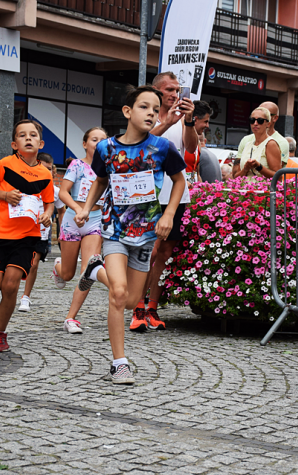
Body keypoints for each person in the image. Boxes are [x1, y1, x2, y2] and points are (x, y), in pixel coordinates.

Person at [74, 85, 186, 384]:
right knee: (118, 293)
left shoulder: (162, 148)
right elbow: (100, 180)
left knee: (131, 299)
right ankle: (119, 363)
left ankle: (95, 270)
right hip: (114, 230)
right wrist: (86, 208)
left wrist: (169, 214)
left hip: (147, 233)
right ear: (127, 111)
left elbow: (179, 181)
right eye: (144, 107)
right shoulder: (105, 148)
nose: (151, 113)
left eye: (155, 109)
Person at [128, 71, 196, 333]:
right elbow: (141, 144)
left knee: (165, 253)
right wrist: (167, 122)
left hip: (176, 193)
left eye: (177, 89)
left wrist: (188, 122)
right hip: (147, 195)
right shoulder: (146, 115)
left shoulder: (182, 117)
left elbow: (190, 149)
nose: (175, 94)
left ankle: (152, 307)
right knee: (149, 252)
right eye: (169, 89)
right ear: (156, 91)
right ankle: (137, 306)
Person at [0, 119, 54, 353]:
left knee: (10, 286)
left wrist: (47, 215)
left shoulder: (45, 174)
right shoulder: (4, 164)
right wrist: (4, 195)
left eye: (32, 135)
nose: (28, 138)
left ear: (40, 143)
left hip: (26, 238)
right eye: (22, 135)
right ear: (14, 143)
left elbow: (49, 203)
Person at [30, 128, 111, 334]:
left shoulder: (110, 169)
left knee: (89, 271)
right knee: (67, 274)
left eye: (103, 140)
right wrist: (77, 209)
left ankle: (71, 318)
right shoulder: (77, 165)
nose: (98, 142)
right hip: (72, 221)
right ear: (85, 144)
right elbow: (63, 192)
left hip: (95, 222)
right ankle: (58, 267)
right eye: (94, 139)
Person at [19, 152, 60, 310]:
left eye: (50, 169)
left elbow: (61, 211)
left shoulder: (54, 190)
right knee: (17, 264)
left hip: (41, 232)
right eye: (44, 168)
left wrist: (61, 235)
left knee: (33, 264)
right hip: (20, 230)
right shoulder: (22, 183)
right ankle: (10, 291)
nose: (47, 172)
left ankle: (25, 297)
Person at [233, 101, 289, 177]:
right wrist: (246, 169)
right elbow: (235, 176)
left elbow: (277, 177)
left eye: (260, 121)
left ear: (268, 123)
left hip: (263, 188)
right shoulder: (247, 143)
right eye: (252, 120)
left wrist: (258, 166)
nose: (255, 123)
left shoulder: (272, 143)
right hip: (246, 187)